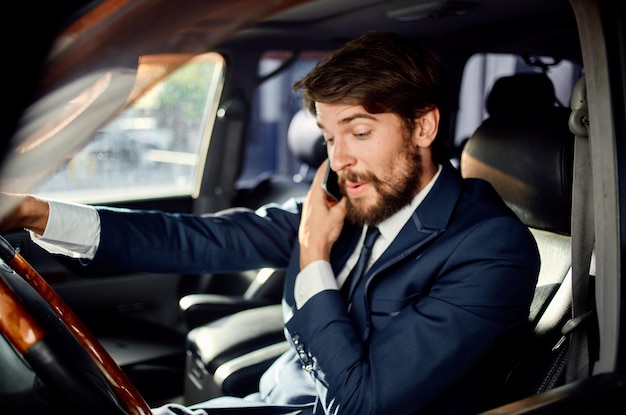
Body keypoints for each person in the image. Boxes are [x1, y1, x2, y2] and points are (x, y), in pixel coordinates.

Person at [1, 31, 540, 414]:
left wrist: (312, 258)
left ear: (423, 127)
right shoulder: (352, 201)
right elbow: (198, 239)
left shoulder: (492, 248)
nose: (338, 159)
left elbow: (358, 404)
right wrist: (32, 211)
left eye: (358, 131)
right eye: (329, 137)